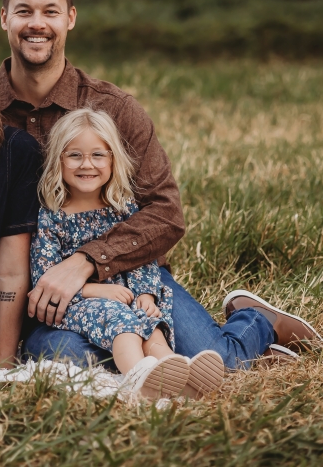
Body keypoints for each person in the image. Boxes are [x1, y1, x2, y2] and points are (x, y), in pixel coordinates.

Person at [0, 0, 321, 368]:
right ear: (5, 17)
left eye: (51, 11)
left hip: (133, 279)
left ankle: (257, 322)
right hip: (43, 298)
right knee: (75, 360)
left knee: (220, 359)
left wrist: (85, 262)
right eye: (24, 11)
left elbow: (167, 214)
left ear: (71, 19)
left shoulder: (114, 109)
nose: (36, 23)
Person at [32, 106, 224, 399]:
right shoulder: (52, 217)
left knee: (152, 323)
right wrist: (98, 291)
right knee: (121, 321)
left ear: (112, 160)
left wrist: (146, 294)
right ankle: (138, 379)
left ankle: (179, 378)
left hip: (129, 296)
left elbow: (142, 260)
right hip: (80, 304)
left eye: (98, 154)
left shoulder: (122, 209)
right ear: (57, 160)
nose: (87, 164)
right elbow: (45, 277)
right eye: (74, 155)